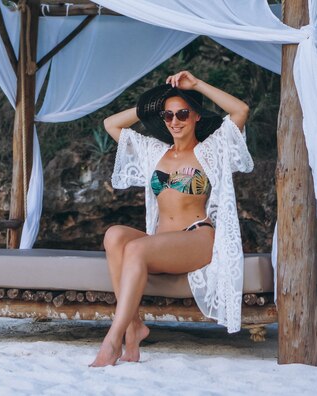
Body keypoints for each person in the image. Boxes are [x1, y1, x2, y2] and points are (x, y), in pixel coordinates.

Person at [90, 71, 253, 367]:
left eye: (182, 114)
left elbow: (240, 110)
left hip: (197, 237)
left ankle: (112, 339)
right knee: (114, 235)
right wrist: (151, 106)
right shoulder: (154, 152)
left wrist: (198, 84)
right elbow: (110, 124)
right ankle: (133, 328)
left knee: (136, 249)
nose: (175, 121)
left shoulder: (211, 150)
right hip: (162, 241)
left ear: (196, 117)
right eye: (168, 115)